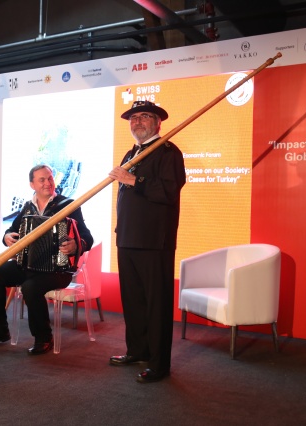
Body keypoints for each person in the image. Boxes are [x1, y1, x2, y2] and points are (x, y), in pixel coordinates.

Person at [0, 164, 93, 355]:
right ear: (32, 184)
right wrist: (6, 237)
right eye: (42, 180)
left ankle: (43, 338)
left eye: (50, 178)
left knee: (30, 287)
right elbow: (10, 231)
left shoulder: (68, 205)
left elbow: (87, 237)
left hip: (58, 269)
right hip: (28, 266)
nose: (48, 183)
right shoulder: (27, 207)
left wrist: (76, 245)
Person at [107, 101, 186, 384]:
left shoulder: (168, 152)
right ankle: (138, 351)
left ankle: (159, 364)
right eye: (133, 118)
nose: (137, 121)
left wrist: (133, 179)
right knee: (134, 301)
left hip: (154, 241)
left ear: (157, 122)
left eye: (144, 116)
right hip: (127, 237)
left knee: (156, 304)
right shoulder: (132, 153)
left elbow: (168, 191)